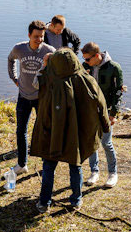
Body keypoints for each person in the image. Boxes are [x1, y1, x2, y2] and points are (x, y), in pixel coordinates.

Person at [31, 48, 110, 211]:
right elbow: (101, 104)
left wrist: (45, 65)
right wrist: (105, 125)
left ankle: (44, 202)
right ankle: (76, 200)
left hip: (53, 132)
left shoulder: (49, 79)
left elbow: (35, 85)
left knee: (48, 167)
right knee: (76, 165)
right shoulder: (87, 79)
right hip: (76, 133)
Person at [8, 20, 55, 174]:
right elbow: (10, 59)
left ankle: (46, 165)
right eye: (36, 36)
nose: (39, 40)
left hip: (41, 98)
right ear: (29, 35)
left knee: (44, 130)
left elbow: (57, 70)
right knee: (21, 131)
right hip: (23, 96)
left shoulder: (49, 51)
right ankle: (22, 164)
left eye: (41, 36)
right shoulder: (19, 48)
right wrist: (14, 78)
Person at [81, 42, 125, 188]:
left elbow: (118, 92)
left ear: (97, 56)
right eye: (84, 59)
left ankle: (113, 173)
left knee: (106, 142)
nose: (85, 62)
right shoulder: (85, 66)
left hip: (106, 110)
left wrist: (114, 113)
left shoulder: (114, 67)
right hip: (89, 110)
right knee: (91, 142)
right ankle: (94, 172)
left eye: (87, 59)